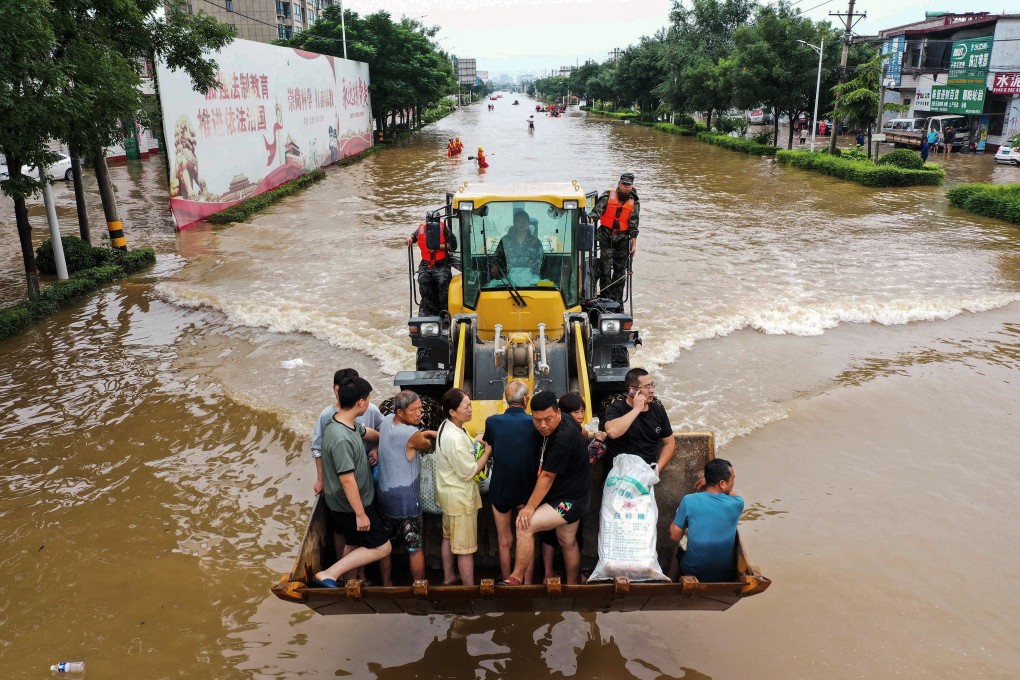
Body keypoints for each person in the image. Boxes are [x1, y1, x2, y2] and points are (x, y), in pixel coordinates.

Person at [499, 391, 590, 586]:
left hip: (569, 501)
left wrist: (530, 507)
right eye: (537, 420)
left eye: (548, 419)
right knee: (567, 541)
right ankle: (573, 586)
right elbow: (583, 431)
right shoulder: (567, 419)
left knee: (525, 525)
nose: (542, 426)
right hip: (572, 493)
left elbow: (547, 477)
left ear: (558, 413)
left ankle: (515, 578)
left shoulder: (563, 439)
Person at [313, 376, 392, 588]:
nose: (369, 402)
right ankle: (329, 572)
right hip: (351, 506)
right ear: (361, 402)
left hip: (347, 503)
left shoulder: (344, 422)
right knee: (383, 547)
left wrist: (386, 437)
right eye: (368, 399)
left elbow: (368, 433)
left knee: (353, 541)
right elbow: (347, 479)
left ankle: (346, 583)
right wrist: (360, 514)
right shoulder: (341, 438)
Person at [480, 381, 541, 582]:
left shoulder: (492, 421)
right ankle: (527, 584)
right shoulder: (534, 422)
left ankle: (508, 581)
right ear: (526, 400)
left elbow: (490, 446)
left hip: (501, 488)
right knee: (527, 537)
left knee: (504, 541)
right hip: (526, 488)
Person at [376, 390, 437, 586]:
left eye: (420, 408)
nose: (419, 413)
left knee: (385, 546)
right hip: (407, 503)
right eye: (414, 410)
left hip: (384, 498)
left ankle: (386, 583)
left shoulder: (385, 422)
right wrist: (428, 434)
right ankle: (418, 584)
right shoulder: (411, 433)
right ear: (400, 412)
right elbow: (427, 446)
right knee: (415, 547)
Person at [435, 388, 491, 586]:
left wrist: (474, 441)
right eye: (466, 406)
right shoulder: (455, 439)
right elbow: (469, 471)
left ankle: (449, 576)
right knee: (465, 549)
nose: (470, 410)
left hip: (448, 495)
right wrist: (488, 452)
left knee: (448, 538)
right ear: (452, 411)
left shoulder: (448, 426)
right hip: (460, 499)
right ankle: (469, 588)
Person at [668, 458, 743, 582]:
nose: (733, 483)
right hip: (725, 574)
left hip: (693, 572)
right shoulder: (738, 503)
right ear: (722, 484)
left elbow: (674, 536)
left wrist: (677, 522)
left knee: (677, 546)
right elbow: (732, 493)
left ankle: (670, 583)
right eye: (733, 479)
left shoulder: (688, 500)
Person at [312, 368, 382, 498]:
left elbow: (382, 430)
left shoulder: (370, 409)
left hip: (368, 463)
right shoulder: (326, 415)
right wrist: (321, 479)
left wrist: (375, 448)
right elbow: (317, 448)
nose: (343, 395)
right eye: (339, 391)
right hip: (342, 469)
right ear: (334, 389)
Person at [602, 368, 675, 472]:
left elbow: (670, 443)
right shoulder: (615, 409)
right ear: (632, 390)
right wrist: (636, 409)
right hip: (618, 477)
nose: (652, 390)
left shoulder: (658, 409)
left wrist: (657, 470)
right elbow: (612, 432)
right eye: (647, 387)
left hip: (645, 477)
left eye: (652, 385)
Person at [589, 172, 639, 303]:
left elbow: (634, 224)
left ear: (631, 185)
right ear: (619, 184)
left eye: (628, 185)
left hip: (623, 239)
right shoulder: (607, 196)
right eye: (624, 184)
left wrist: (634, 244)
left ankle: (617, 300)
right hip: (606, 236)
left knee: (620, 270)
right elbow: (596, 212)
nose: (626, 187)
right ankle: (604, 297)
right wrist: (590, 219)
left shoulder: (634, 201)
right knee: (605, 268)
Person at [405, 215, 458, 318]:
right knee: (423, 279)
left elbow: (453, 245)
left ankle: (444, 310)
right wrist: (410, 238)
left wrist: (437, 247)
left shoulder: (444, 229)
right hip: (426, 263)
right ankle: (428, 309)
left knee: (443, 280)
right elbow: (414, 236)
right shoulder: (421, 228)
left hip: (441, 263)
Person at [492, 209, 544, 282]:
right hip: (508, 278)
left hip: (531, 277)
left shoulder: (536, 242)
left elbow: (541, 262)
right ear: (514, 223)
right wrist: (495, 268)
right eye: (518, 221)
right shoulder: (505, 241)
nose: (521, 224)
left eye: (524, 221)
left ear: (528, 223)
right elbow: (496, 260)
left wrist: (533, 267)